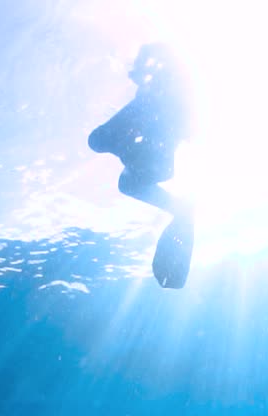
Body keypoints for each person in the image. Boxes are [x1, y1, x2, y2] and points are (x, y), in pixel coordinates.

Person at [88, 42, 196, 289]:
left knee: (124, 179)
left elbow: (100, 138)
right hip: (156, 162)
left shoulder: (158, 95)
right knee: (126, 181)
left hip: (153, 161)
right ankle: (182, 211)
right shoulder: (164, 95)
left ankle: (182, 211)